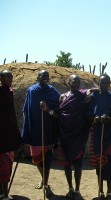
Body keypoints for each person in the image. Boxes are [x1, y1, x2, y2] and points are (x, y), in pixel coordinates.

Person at [41, 74, 94, 200]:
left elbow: (95, 92)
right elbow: (58, 115)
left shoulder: (83, 95)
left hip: (78, 135)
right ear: (68, 82)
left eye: (78, 82)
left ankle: (77, 190)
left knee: (78, 165)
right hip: (65, 135)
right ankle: (70, 188)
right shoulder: (63, 97)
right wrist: (47, 110)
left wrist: (90, 90)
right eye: (74, 82)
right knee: (67, 164)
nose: (76, 84)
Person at [22, 70, 60, 198]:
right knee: (37, 158)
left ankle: (46, 184)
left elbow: (58, 108)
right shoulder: (32, 91)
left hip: (48, 129)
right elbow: (26, 109)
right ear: (38, 77)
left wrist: (47, 109)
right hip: (35, 129)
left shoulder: (52, 91)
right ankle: (44, 179)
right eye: (43, 76)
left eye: (47, 77)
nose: (45, 78)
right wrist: (27, 126)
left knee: (48, 158)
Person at [87, 74, 111, 200]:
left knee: (110, 163)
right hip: (97, 133)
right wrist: (97, 119)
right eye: (102, 82)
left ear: (109, 83)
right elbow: (88, 114)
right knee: (99, 163)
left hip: (110, 134)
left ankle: (109, 192)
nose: (104, 85)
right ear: (99, 84)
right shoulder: (93, 96)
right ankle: (100, 191)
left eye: (106, 82)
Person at [0, 70, 22, 200]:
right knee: (3, 167)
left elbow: (11, 115)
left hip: (9, 134)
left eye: (11, 77)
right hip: (1, 135)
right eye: (8, 76)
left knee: (7, 165)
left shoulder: (9, 92)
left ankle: (3, 193)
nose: (11, 79)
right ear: (1, 78)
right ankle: (5, 194)